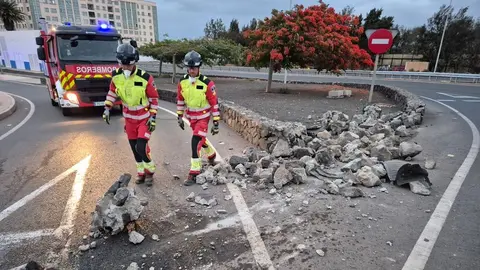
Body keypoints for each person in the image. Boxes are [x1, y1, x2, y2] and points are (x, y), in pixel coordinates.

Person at [102, 43, 159, 186]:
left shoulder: (145, 78)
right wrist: (107, 108)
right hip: (129, 120)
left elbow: (154, 99)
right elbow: (112, 92)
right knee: (134, 149)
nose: (126, 68)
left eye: (129, 65)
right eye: (123, 65)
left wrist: (153, 117)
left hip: (144, 119)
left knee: (141, 146)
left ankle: (150, 171)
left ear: (135, 62)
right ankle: (141, 173)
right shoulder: (116, 76)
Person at [176, 50, 220, 186]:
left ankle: (194, 172)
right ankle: (211, 155)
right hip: (191, 118)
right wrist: (179, 116)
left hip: (203, 118)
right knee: (200, 138)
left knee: (195, 141)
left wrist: (216, 122)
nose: (191, 70)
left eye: (193, 68)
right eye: (189, 68)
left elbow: (214, 103)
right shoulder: (182, 82)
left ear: (198, 67)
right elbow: (180, 100)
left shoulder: (207, 83)